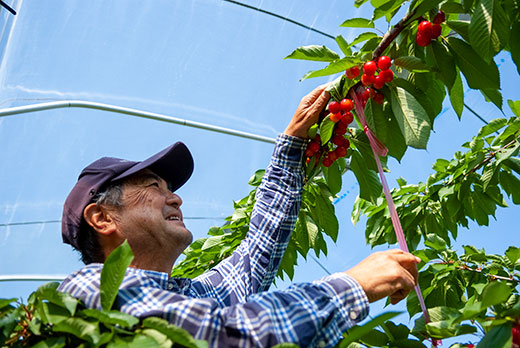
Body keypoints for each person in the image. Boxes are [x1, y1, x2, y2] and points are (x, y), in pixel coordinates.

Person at [58, 84, 420, 348]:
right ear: (103, 218)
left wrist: (292, 143)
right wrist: (351, 286)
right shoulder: (86, 295)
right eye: (154, 186)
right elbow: (222, 337)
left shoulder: (194, 295)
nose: (176, 199)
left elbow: (256, 253)